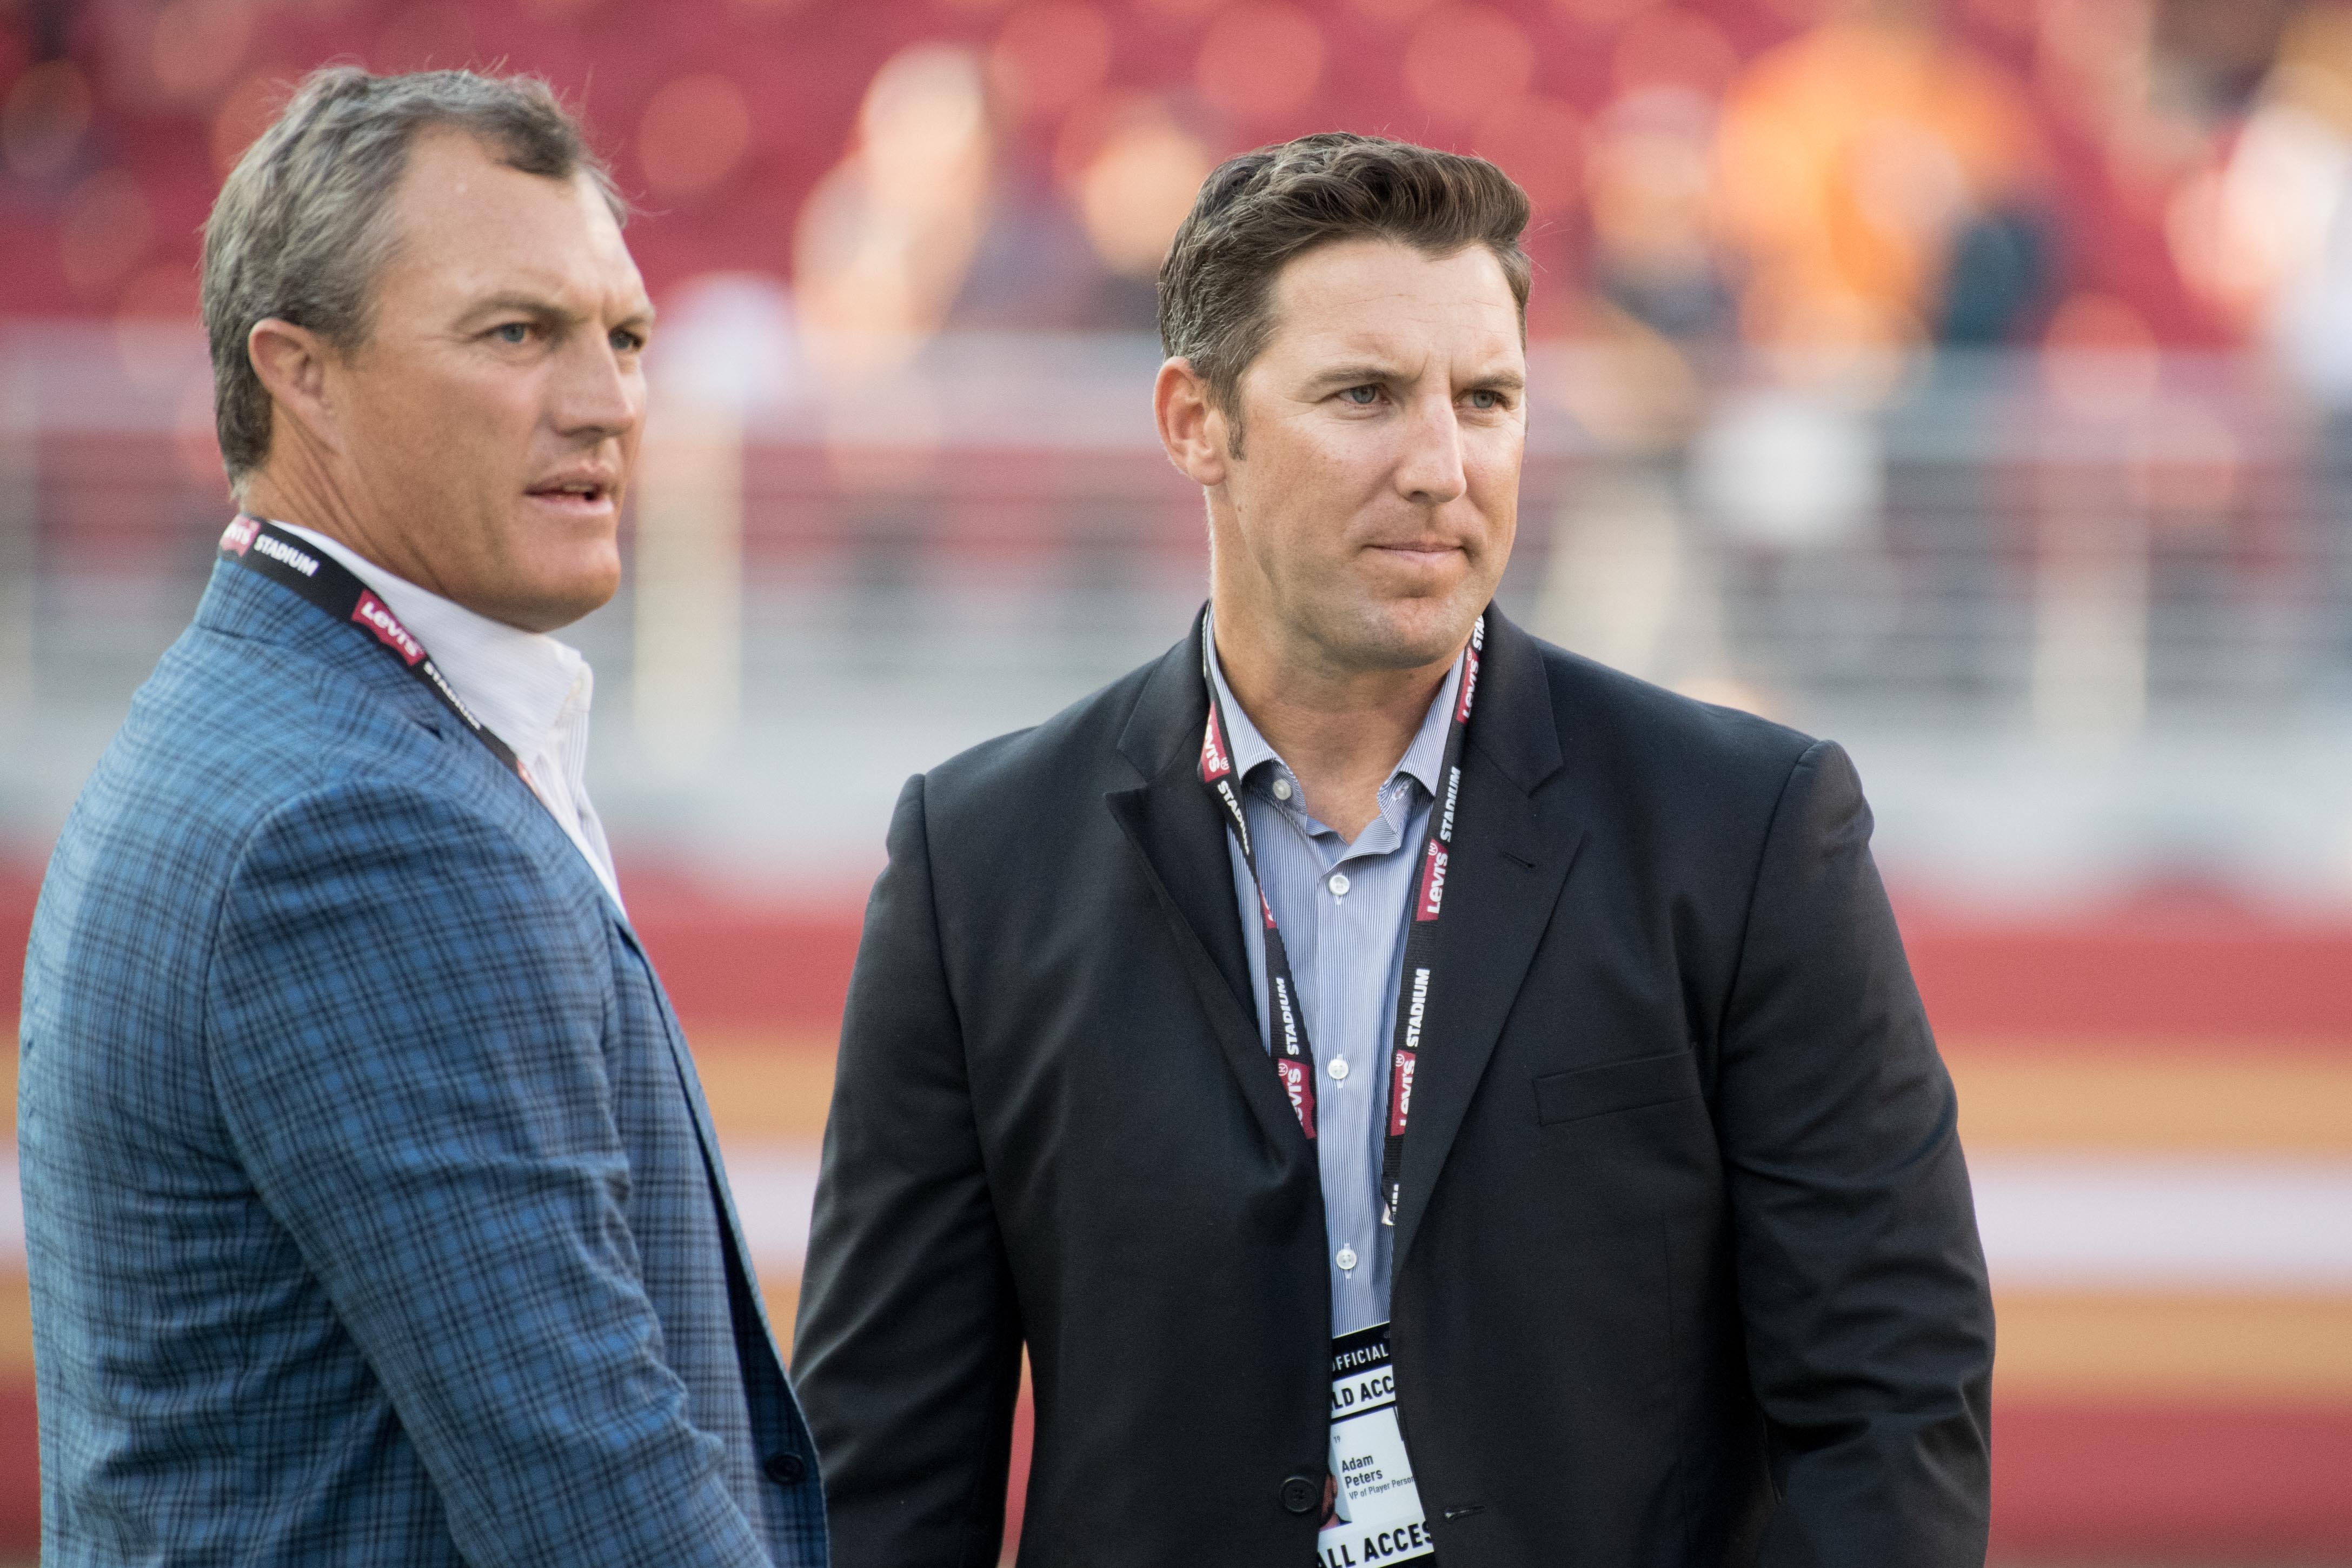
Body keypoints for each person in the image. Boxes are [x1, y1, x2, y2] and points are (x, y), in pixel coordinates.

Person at [794, 134, 1993, 1567]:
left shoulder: (1746, 828)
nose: (1442, 465)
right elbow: (884, 1466)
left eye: (1487, 399)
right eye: (1365, 395)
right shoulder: (976, 863)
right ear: (1196, 422)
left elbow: (1891, 1404)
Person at [17, 68, 824, 1567]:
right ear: (301, 375)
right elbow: (597, 1500)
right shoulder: (360, 823)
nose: (608, 402)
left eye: (625, 338)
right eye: (517, 333)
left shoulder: (278, 716)